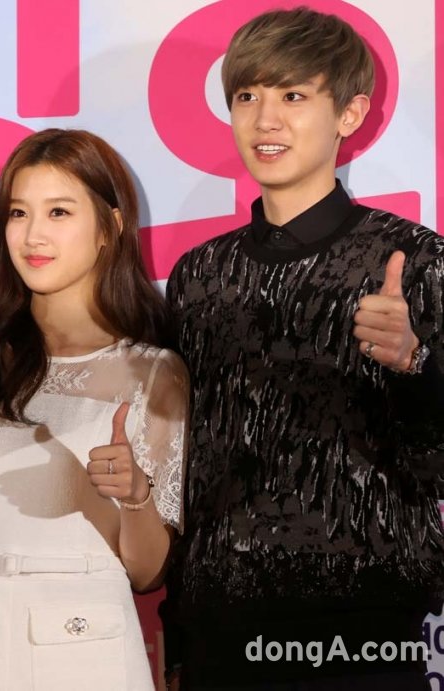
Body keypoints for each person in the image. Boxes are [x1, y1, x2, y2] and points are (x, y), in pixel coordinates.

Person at [164, 6, 444, 691]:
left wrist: (416, 363)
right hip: (218, 629)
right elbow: (186, 462)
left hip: (363, 629)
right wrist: (179, 634)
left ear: (350, 113)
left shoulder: (415, 260)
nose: (266, 120)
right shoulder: (198, 275)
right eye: (247, 96)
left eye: (293, 96)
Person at [0, 128, 188, 690]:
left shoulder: (152, 372)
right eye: (18, 212)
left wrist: (135, 494)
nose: (33, 235)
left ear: (109, 228)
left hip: (87, 649)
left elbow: (147, 573)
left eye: (59, 212)